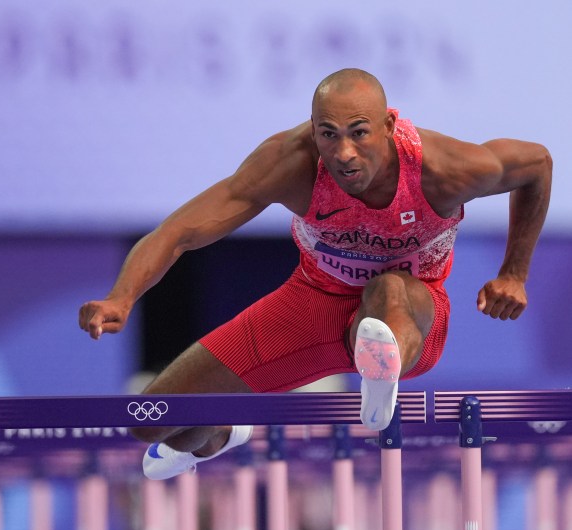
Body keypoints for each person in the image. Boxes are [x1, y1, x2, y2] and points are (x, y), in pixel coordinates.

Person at [79, 68, 552, 480]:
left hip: (410, 312)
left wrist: (514, 272)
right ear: (313, 130)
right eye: (328, 134)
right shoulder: (291, 162)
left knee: (386, 290)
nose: (343, 152)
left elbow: (536, 164)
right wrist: (122, 296)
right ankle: (223, 431)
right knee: (153, 418)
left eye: (359, 133)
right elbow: (181, 230)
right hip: (311, 302)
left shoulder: (442, 169)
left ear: (389, 125)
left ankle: (380, 377)